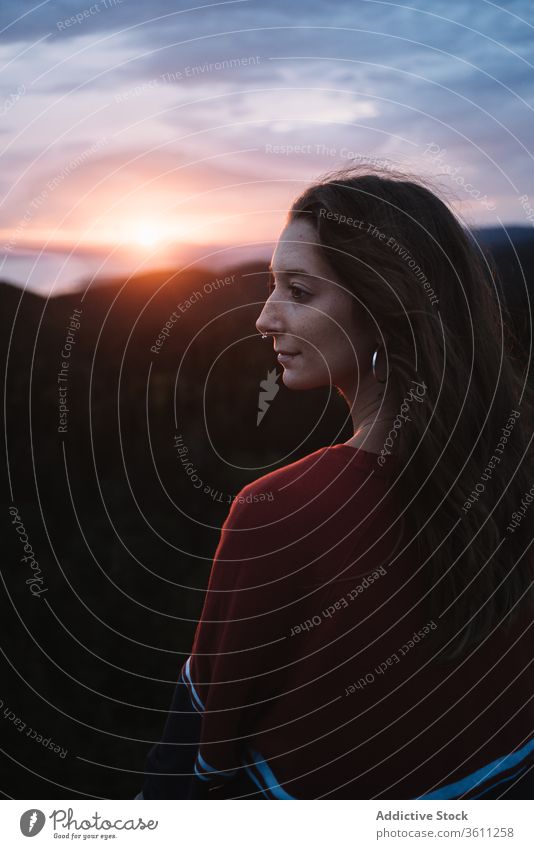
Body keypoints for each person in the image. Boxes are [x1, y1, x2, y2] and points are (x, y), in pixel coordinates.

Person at [136, 165, 534, 800]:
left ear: (383, 309)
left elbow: (195, 758)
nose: (265, 319)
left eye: (298, 291)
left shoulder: (283, 511)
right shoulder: (512, 474)